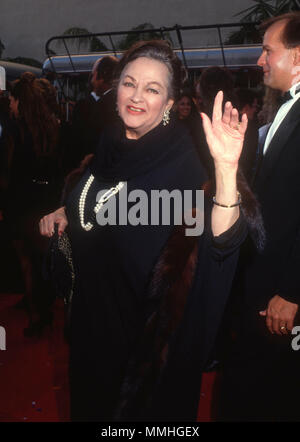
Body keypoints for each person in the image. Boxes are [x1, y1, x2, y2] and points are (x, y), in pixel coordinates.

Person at [39, 40, 254, 422]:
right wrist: (67, 211)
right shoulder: (109, 146)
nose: (136, 97)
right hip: (91, 338)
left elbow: (218, 243)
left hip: (144, 363)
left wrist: (224, 171)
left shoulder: (184, 169)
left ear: (170, 103)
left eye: (152, 89)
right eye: (129, 83)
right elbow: (101, 200)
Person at [217, 11, 300, 422]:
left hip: (282, 292)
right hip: (261, 283)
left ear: (298, 57)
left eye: (269, 50)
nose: (260, 60)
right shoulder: (283, 110)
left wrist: (293, 289)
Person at [3, 73, 62, 336]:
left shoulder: (15, 131)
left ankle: (37, 316)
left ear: (21, 102)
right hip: (48, 201)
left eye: (12, 101)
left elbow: (8, 171)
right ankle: (44, 307)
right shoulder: (56, 126)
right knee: (43, 259)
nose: (10, 105)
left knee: (27, 261)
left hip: (21, 201)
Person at [65, 55, 119, 174]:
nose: (91, 80)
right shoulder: (122, 103)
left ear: (102, 76)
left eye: (93, 75)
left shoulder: (94, 106)